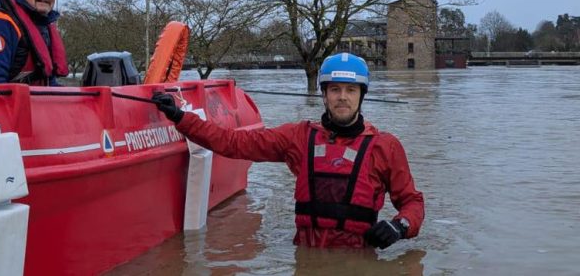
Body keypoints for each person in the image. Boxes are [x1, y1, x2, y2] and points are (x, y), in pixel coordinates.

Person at [152, 53, 424, 249]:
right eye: (335, 89)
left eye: (351, 90)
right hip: (307, 256)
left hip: (358, 260)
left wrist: (399, 226)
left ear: (361, 95)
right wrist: (181, 117)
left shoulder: (385, 147)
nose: (343, 97)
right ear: (324, 95)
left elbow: (412, 202)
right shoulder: (299, 137)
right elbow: (232, 143)